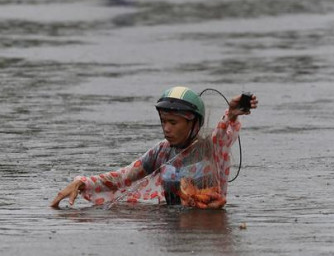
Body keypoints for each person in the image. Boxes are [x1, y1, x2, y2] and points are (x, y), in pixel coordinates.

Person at [50, 86, 258, 209]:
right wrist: (82, 182)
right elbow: (123, 176)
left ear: (194, 123)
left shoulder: (210, 148)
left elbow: (223, 133)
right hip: (170, 226)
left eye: (173, 123)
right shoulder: (162, 152)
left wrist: (231, 114)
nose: (166, 129)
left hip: (207, 226)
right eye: (163, 122)